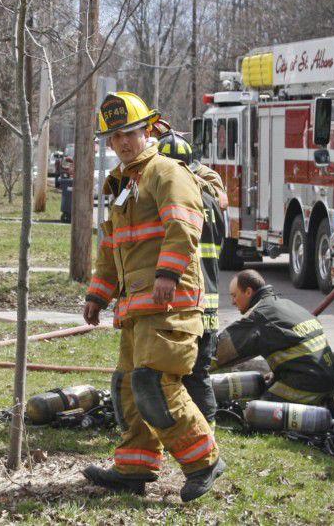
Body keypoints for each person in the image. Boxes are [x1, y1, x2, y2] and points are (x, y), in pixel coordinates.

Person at [81, 91, 223, 503]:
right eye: (115, 136)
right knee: (128, 386)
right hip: (137, 308)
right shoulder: (125, 184)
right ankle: (134, 467)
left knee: (156, 384)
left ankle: (204, 461)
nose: (123, 142)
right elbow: (112, 247)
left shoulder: (166, 173)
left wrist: (168, 274)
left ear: (148, 131)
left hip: (169, 304)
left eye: (130, 132)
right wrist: (98, 294)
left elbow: (184, 225)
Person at [218, 270, 334, 439]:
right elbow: (296, 348)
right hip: (327, 375)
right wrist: (276, 375)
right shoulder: (284, 304)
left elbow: (221, 351)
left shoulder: (259, 315)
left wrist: (197, 360)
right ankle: (332, 407)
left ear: (248, 292)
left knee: (259, 414)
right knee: (267, 386)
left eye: (234, 295)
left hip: (307, 381)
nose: (232, 302)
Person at [156, 131, 224, 423]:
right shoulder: (211, 199)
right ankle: (206, 432)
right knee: (199, 374)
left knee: (172, 373)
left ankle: (191, 433)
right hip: (210, 303)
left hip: (185, 301)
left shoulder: (176, 199)